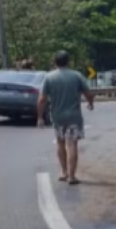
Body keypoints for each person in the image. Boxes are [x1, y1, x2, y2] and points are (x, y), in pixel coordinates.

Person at [37, 50, 95, 185]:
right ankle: (71, 176)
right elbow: (88, 93)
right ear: (68, 62)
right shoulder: (77, 76)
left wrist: (39, 117)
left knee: (60, 142)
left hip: (57, 116)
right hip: (74, 116)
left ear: (54, 62)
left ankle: (63, 172)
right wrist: (90, 104)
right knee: (72, 143)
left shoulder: (49, 77)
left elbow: (42, 99)